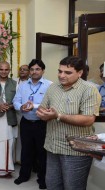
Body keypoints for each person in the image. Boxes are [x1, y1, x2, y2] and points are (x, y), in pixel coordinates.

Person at [36, 56, 101, 190]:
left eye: (67, 72)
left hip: (76, 150)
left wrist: (58, 115)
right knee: (52, 185)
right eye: (60, 71)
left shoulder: (89, 90)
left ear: (80, 73)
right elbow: (43, 108)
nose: (61, 75)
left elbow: (88, 119)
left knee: (73, 187)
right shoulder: (53, 87)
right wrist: (43, 114)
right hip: (52, 147)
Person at [13, 59, 52, 189]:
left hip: (42, 123)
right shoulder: (23, 85)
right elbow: (16, 101)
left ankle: (42, 179)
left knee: (42, 152)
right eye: (32, 69)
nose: (34, 72)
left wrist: (33, 106)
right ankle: (24, 175)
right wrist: (21, 107)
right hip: (26, 122)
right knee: (26, 150)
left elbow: (51, 105)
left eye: (37, 69)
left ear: (43, 70)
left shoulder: (50, 85)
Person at [13, 64, 30, 164]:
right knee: (15, 135)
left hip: (26, 113)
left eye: (25, 70)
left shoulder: (31, 82)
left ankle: (22, 159)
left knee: (23, 137)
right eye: (21, 69)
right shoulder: (14, 81)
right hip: (14, 112)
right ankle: (14, 158)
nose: (22, 71)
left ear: (29, 72)